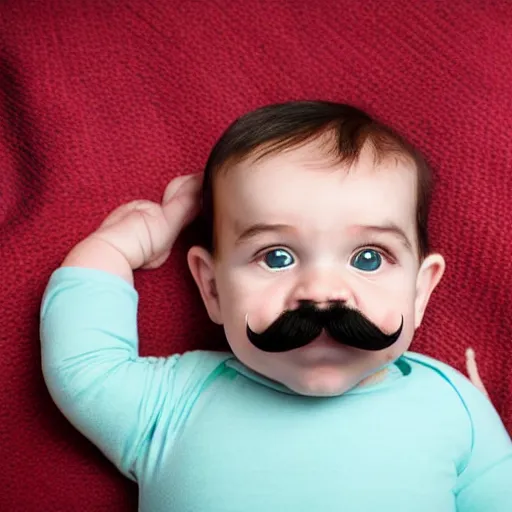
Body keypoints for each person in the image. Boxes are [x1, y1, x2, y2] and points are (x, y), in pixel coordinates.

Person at [40, 101, 511, 511]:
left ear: (420, 290)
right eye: (276, 256)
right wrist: (122, 247)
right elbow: (83, 364)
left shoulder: (452, 406)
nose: (323, 291)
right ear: (213, 290)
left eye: (369, 258)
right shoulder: (174, 401)